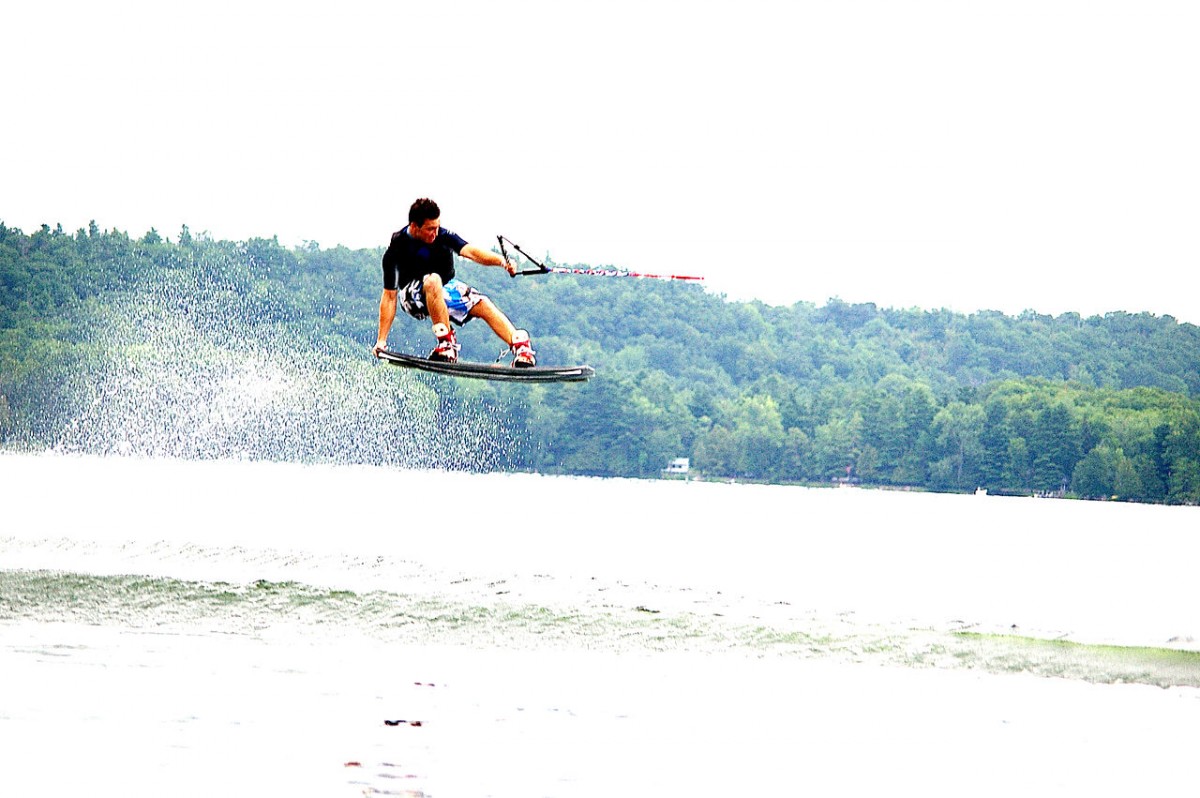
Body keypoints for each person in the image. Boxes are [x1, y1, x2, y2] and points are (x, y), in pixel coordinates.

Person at [371, 198, 536, 367]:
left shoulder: (443, 235)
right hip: (412, 296)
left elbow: (471, 252)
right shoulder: (396, 249)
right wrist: (381, 340)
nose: (435, 233)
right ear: (414, 226)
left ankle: (519, 348)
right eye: (430, 229)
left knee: (481, 302)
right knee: (433, 280)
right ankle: (446, 344)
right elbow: (389, 297)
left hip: (443, 288)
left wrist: (501, 261)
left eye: (437, 227)